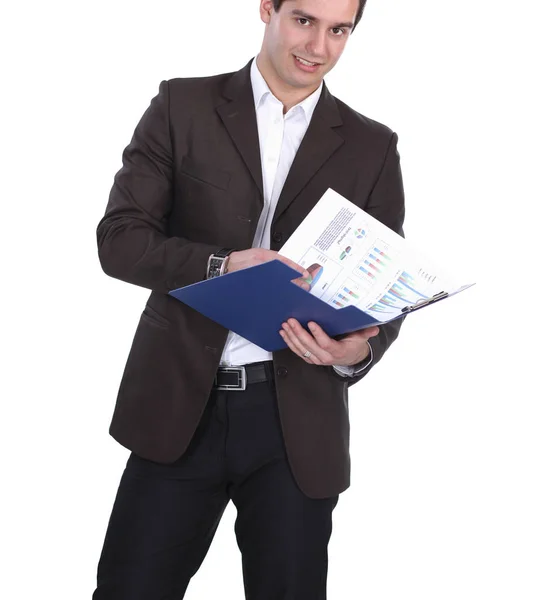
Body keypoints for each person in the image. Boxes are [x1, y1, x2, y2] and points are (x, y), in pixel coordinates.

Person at [93, 0, 405, 598]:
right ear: (268, 9)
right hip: (180, 407)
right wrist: (222, 265)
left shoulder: (372, 146)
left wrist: (349, 353)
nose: (318, 47)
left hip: (296, 425)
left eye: (339, 30)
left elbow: (381, 291)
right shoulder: (182, 106)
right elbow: (120, 240)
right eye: (304, 21)